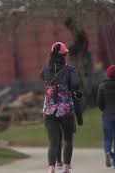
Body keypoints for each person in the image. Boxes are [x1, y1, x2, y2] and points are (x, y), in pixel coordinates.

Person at [40, 42, 82, 173]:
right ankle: (65, 168)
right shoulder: (70, 70)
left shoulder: (46, 69)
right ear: (64, 55)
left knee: (53, 142)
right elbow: (76, 84)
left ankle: (51, 168)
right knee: (68, 140)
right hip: (66, 110)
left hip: (49, 111)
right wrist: (72, 90)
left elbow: (41, 77)